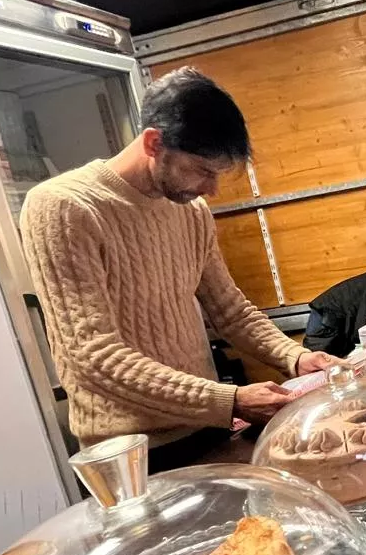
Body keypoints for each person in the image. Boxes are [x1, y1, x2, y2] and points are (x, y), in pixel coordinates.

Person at [21, 67, 340, 473]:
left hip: (207, 426)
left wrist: (295, 357)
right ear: (154, 143)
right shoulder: (64, 208)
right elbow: (93, 353)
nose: (211, 189)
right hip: (131, 453)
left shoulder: (191, 212)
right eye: (203, 171)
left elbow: (230, 310)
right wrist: (228, 400)